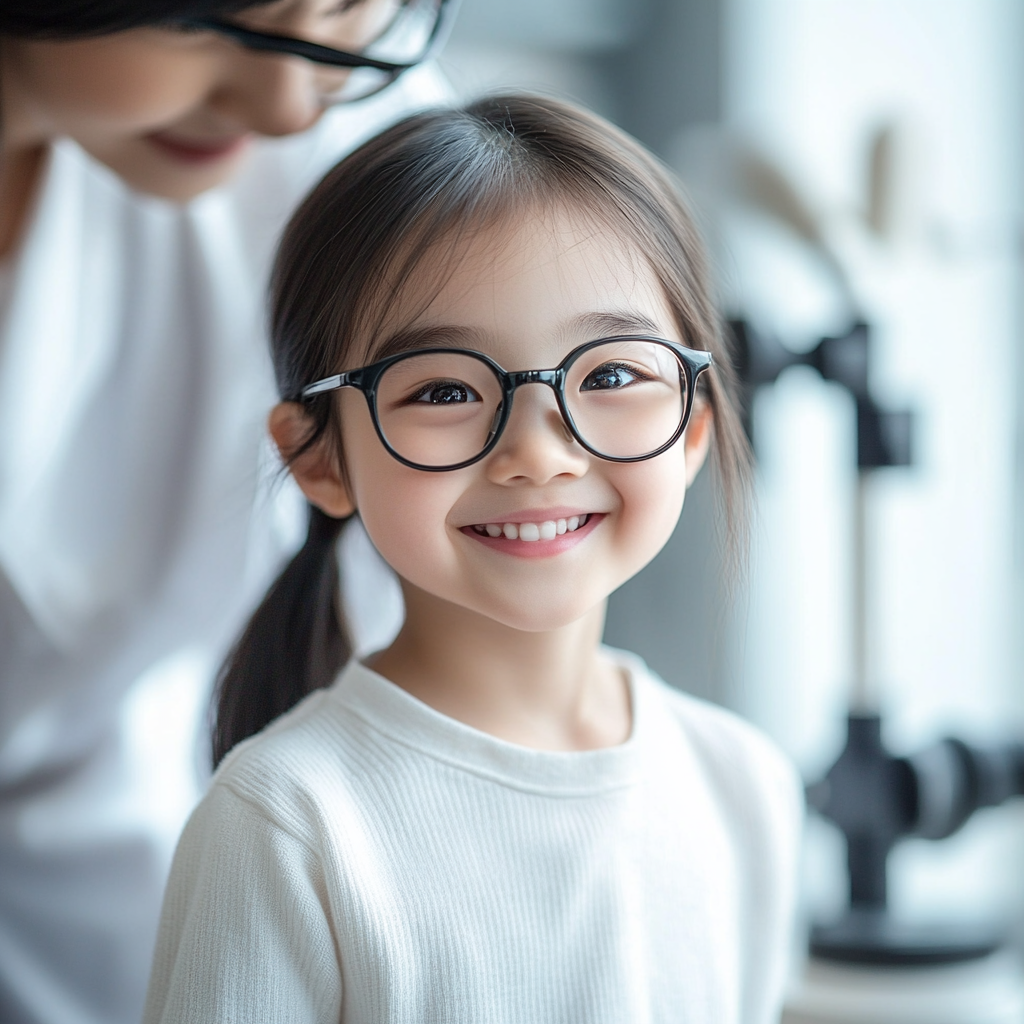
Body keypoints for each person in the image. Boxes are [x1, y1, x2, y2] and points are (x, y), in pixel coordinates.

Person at [143, 94, 803, 1024]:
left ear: (692, 425)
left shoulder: (744, 787)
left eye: (611, 374)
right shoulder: (288, 826)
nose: (537, 451)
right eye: (446, 387)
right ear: (318, 457)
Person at [0, 3, 452, 1022]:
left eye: (345, 8)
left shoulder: (355, 167)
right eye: (223, 23)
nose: (292, 107)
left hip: (147, 908)